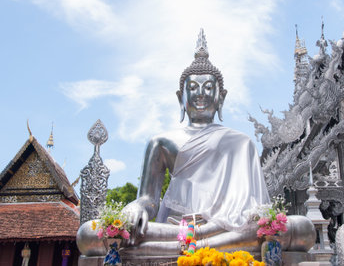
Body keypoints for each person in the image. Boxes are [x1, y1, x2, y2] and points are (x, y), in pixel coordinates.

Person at [77, 29, 315, 257]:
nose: (201, 93)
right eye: (193, 88)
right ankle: (194, 241)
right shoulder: (160, 142)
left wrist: (259, 219)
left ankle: (194, 241)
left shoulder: (241, 143)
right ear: (181, 97)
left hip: (227, 229)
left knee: (300, 228)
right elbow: (149, 199)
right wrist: (136, 207)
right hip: (176, 227)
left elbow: (254, 209)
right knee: (90, 234)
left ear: (221, 97)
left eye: (209, 87)